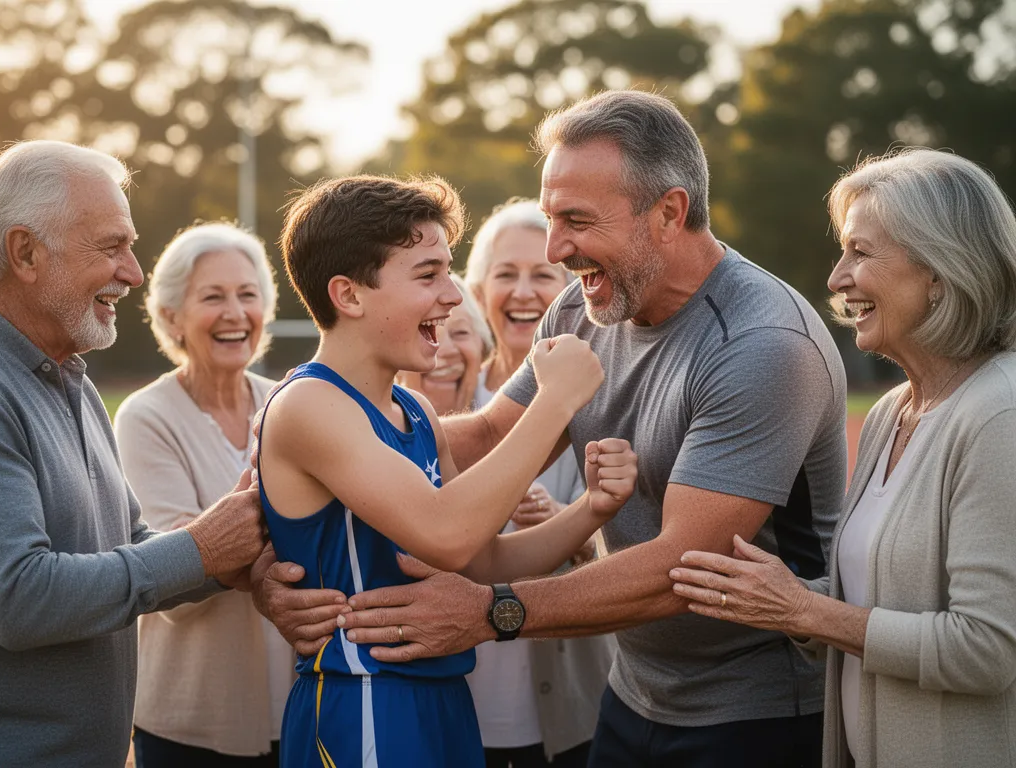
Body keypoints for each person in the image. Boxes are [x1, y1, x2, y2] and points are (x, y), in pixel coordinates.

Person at [274, 90, 851, 768]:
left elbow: (682, 570)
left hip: (756, 712)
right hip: (634, 691)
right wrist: (279, 495)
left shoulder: (762, 344)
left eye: (576, 220)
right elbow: (487, 437)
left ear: (669, 212)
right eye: (551, 218)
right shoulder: (586, 304)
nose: (556, 249)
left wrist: (492, 612)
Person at [256, 174, 638, 768]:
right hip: (365, 703)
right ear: (349, 296)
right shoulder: (309, 405)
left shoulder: (414, 410)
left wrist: (590, 511)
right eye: (428, 274)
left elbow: (479, 561)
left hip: (445, 699)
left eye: (449, 270)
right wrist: (554, 401)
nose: (454, 295)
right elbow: (447, 530)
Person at [669, 148, 1016, 768]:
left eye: (861, 252)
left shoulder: (999, 415)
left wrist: (806, 609)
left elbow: (985, 651)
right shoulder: (891, 413)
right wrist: (776, 598)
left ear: (940, 269)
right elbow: (877, 598)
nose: (835, 278)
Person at [0, 140, 265, 768]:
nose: (134, 272)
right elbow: (20, 597)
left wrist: (229, 562)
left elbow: (129, 541)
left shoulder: (72, 378)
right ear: (25, 253)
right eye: (112, 246)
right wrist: (200, 549)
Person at [114, 223, 295, 766]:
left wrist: (240, 540)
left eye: (248, 295)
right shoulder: (146, 417)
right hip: (192, 719)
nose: (235, 312)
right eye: (212, 296)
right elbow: (172, 565)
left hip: (300, 703)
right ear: (171, 315)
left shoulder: (290, 402)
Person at [466, 203, 615, 768]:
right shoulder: (448, 403)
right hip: (461, 702)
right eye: (507, 274)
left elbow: (634, 550)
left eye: (543, 276)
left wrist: (566, 525)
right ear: (479, 292)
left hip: (567, 708)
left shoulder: (600, 401)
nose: (525, 292)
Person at [397, 274, 493, 415]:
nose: (446, 350)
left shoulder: (515, 418)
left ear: (483, 349)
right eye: (425, 332)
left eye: (461, 333)